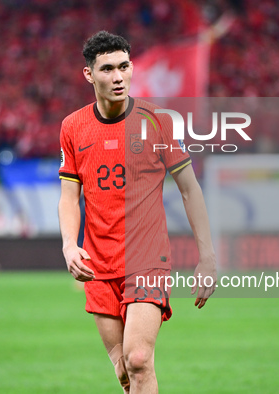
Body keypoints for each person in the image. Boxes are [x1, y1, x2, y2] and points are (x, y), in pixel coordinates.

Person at [58, 31, 217, 393]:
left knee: (140, 359)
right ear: (89, 75)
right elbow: (69, 197)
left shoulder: (158, 121)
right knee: (125, 373)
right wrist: (70, 245)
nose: (118, 77)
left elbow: (190, 189)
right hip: (97, 264)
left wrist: (207, 257)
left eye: (124, 67)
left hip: (148, 259)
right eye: (108, 69)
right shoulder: (73, 127)